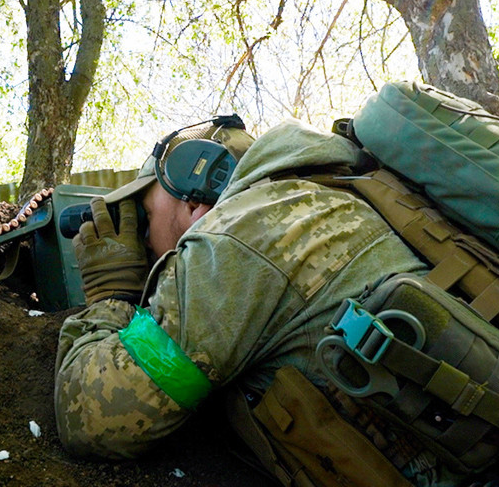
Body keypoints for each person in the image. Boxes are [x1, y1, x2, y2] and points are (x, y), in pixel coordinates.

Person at [53, 115, 426, 460]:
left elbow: (91, 418)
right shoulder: (328, 190)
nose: (145, 241)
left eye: (145, 217)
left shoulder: (234, 243)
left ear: (195, 200)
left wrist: (112, 295)